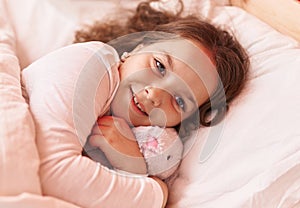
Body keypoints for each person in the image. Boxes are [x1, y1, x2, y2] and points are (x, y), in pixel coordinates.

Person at [21, 1, 249, 208]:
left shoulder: (144, 145)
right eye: (159, 65)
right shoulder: (92, 63)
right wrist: (156, 192)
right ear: (138, 47)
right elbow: (52, 173)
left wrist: (131, 164)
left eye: (179, 101)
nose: (155, 95)